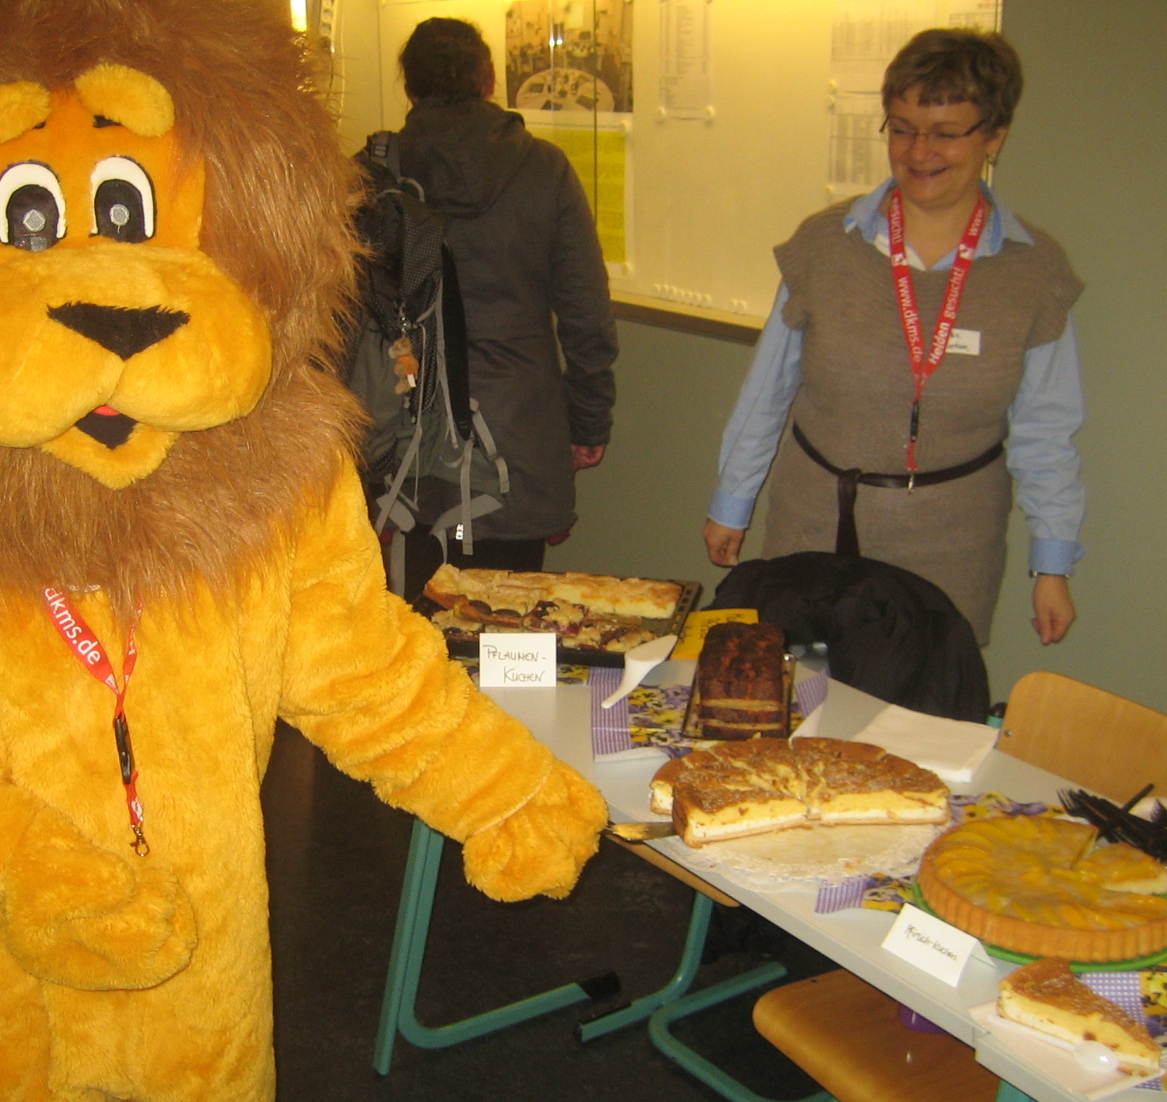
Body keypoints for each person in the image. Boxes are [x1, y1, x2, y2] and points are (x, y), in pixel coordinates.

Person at [703, 29, 1083, 647]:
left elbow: (1047, 434)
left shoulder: (1034, 272)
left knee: (918, 724)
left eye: (946, 131)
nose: (919, 150)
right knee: (797, 717)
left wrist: (1053, 564)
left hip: (951, 547)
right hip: (813, 528)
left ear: (994, 136)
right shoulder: (826, 246)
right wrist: (732, 503)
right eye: (902, 127)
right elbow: (767, 390)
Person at [390, 17, 617, 596]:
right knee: (512, 633)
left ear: (409, 88)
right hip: (518, 439)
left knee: (416, 635)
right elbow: (586, 316)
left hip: (408, 440)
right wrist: (588, 420)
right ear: (489, 80)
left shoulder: (379, 174)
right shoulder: (544, 169)